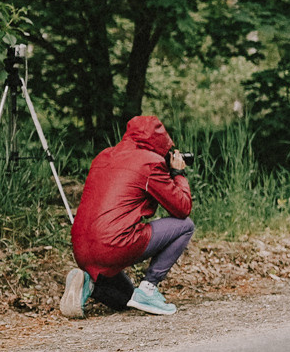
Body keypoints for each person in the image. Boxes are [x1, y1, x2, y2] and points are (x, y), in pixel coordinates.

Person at [61, 114, 193, 318]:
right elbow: (182, 208)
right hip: (113, 244)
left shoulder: (103, 156)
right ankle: (149, 289)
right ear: (159, 142)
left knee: (126, 299)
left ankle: (88, 284)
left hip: (81, 249)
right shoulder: (150, 162)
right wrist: (178, 174)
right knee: (185, 226)